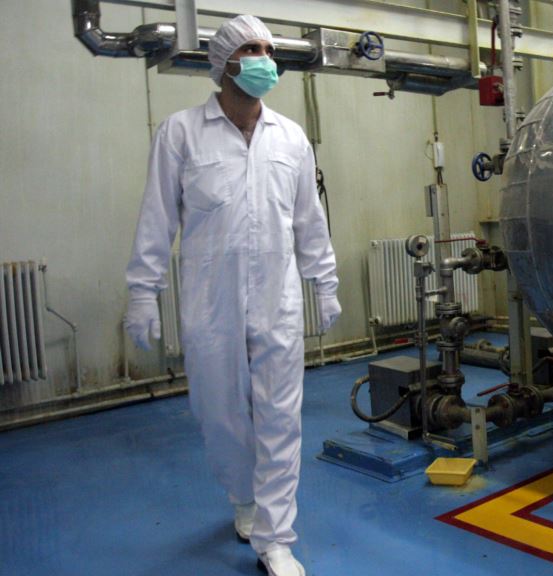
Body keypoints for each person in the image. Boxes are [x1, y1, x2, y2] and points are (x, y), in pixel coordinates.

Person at [124, 14, 339, 576]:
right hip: (210, 306)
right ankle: (243, 497)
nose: (266, 58)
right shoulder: (180, 133)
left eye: (269, 48)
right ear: (223, 64)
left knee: (280, 417)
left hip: (277, 300)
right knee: (219, 415)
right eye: (252, 48)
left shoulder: (290, 138)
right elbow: (156, 219)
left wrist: (325, 280)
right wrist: (143, 292)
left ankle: (277, 539)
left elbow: (308, 221)